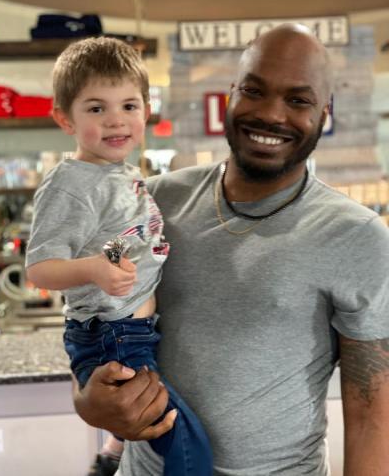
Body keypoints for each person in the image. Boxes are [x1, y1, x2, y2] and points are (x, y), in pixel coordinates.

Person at [72, 24, 389, 476]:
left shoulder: (355, 236)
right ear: (230, 97)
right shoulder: (149, 203)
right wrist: (86, 399)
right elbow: (89, 313)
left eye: (298, 100)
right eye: (254, 91)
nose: (272, 115)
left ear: (323, 113)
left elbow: (371, 416)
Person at [25, 37, 213, 476]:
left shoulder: (123, 174)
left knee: (158, 439)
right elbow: (39, 269)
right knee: (189, 449)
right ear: (63, 118)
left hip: (137, 331)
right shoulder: (71, 184)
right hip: (116, 336)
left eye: (129, 106)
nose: (116, 120)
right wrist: (93, 270)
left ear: (147, 111)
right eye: (96, 108)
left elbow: (116, 245)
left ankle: (110, 457)